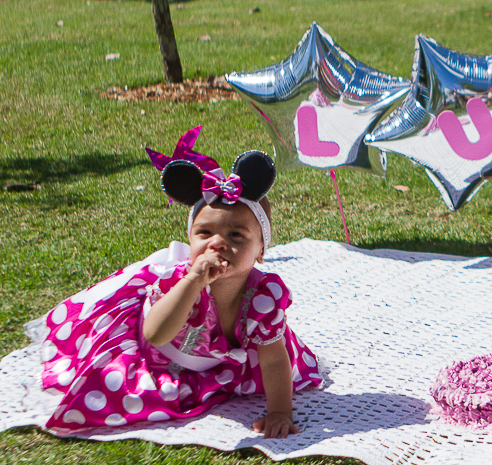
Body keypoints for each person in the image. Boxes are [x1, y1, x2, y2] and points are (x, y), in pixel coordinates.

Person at [34, 142, 320, 438]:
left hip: (219, 359)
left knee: (277, 366)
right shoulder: (179, 281)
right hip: (162, 355)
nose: (217, 243)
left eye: (236, 234)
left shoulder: (264, 295)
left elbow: (273, 358)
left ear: (261, 250)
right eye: (204, 233)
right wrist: (192, 284)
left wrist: (279, 412)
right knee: (123, 393)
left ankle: (217, 379)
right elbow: (155, 334)